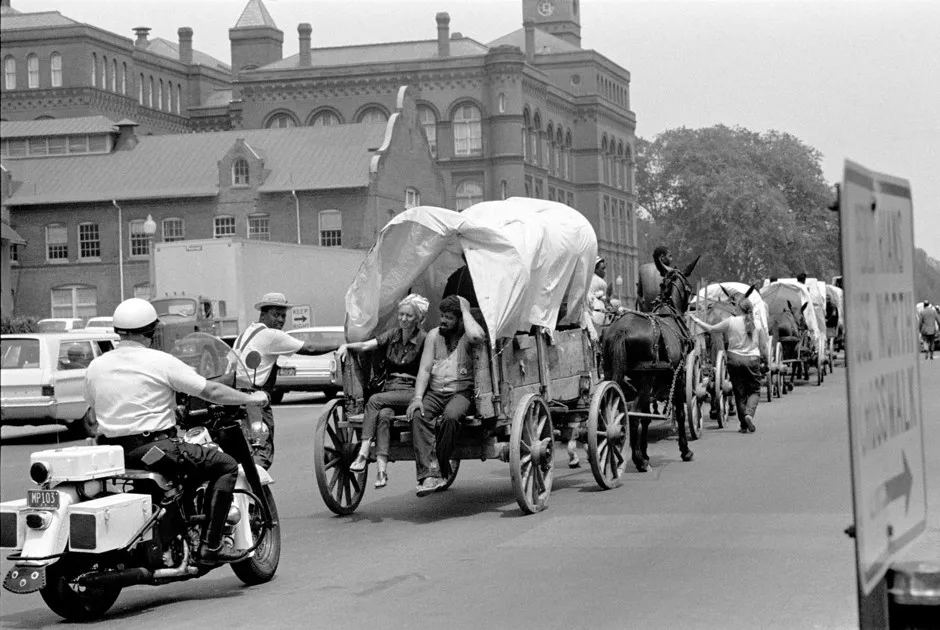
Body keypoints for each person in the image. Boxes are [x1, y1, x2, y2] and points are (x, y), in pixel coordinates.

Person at [84, 298, 269, 564]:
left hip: (112, 453)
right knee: (226, 466)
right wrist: (251, 398)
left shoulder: (97, 366)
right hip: (154, 450)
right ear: (151, 330)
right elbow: (211, 390)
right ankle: (211, 546)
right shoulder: (160, 361)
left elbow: (93, 409)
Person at [233, 292, 338, 469]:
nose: (280, 320)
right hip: (255, 400)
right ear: (263, 314)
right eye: (276, 315)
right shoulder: (271, 335)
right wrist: (341, 346)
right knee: (261, 452)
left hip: (236, 397)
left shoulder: (245, 334)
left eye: (283, 316)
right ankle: (253, 484)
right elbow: (310, 348)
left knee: (244, 452)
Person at [338, 293, 430, 488]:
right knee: (384, 415)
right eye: (401, 314)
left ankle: (363, 453)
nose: (404, 319)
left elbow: (428, 369)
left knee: (374, 401)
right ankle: (381, 471)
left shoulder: (424, 339)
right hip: (390, 391)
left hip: (411, 391)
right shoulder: (392, 334)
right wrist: (346, 346)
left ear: (418, 319)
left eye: (409, 316)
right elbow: (366, 345)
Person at [407, 295, 485, 496]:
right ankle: (427, 475)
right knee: (418, 415)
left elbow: (478, 337)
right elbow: (425, 369)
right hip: (435, 392)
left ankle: (441, 468)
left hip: (461, 392)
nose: (443, 321)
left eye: (449, 317)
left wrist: (466, 310)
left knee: (450, 417)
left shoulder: (468, 335)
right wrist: (417, 398)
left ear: (460, 320)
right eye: (442, 316)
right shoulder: (434, 335)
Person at [690, 298, 770, 433]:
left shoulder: (731, 321)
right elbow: (763, 347)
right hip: (752, 360)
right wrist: (766, 362)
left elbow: (711, 329)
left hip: (734, 360)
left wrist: (696, 320)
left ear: (738, 309)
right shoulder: (757, 324)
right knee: (755, 391)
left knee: (739, 393)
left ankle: (743, 425)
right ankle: (749, 414)